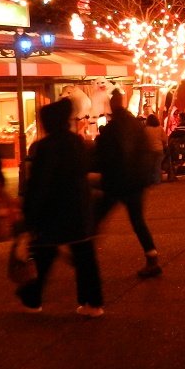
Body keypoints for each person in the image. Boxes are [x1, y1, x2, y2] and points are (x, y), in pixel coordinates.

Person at [17, 99, 104, 316]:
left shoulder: (46, 146)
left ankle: (32, 299)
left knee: (43, 256)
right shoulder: (76, 142)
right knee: (85, 258)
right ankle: (92, 303)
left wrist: (29, 213)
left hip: (53, 210)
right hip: (79, 208)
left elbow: (40, 183)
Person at [95, 91, 162, 278]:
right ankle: (152, 258)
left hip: (118, 182)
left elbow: (109, 156)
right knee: (138, 221)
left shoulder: (112, 129)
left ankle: (84, 253)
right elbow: (144, 151)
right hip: (136, 182)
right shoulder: (136, 125)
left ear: (112, 106)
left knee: (98, 216)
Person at [144, 114, 166, 185]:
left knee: (150, 166)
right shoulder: (160, 128)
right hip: (159, 149)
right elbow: (165, 138)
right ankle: (157, 181)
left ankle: (149, 181)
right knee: (158, 166)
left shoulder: (146, 129)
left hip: (150, 149)